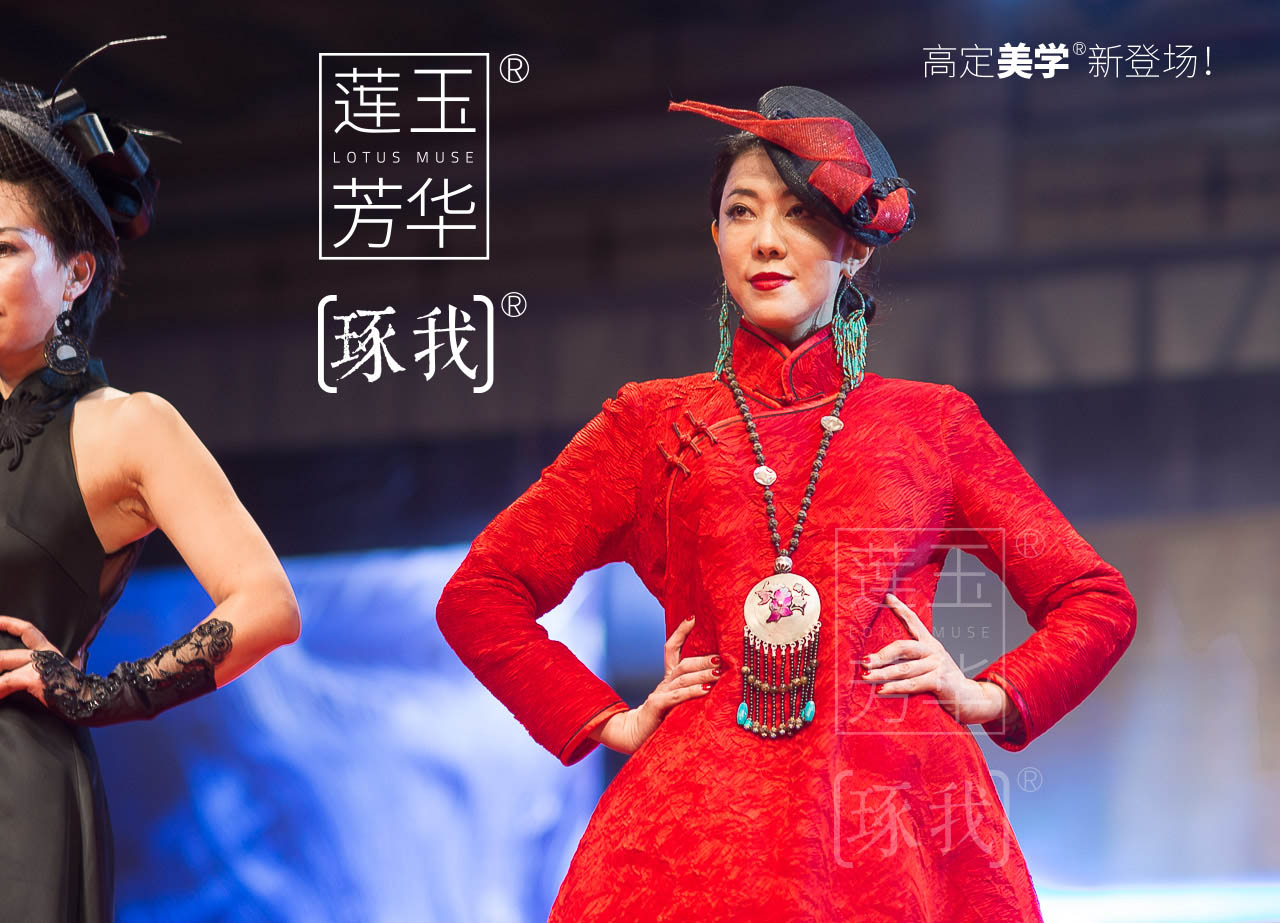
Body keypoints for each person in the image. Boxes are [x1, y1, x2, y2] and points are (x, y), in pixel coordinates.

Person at [436, 86, 1137, 921]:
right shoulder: (650, 423)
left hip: (890, 825)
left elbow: (1094, 599)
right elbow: (481, 595)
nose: (766, 239)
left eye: (800, 213)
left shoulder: (931, 425)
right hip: (698, 837)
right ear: (715, 237)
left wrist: (988, 692)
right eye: (741, 212)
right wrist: (606, 720)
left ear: (856, 247)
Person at [0, 40, 300, 923]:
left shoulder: (127, 426)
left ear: (75, 274)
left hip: (16, 787)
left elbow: (268, 604)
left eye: (2, 247)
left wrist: (100, 693)